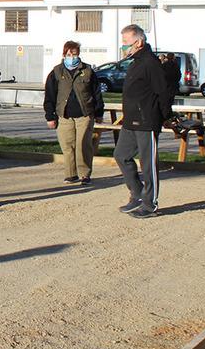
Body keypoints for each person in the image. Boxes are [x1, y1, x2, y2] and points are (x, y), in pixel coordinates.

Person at [113, 24, 170, 218]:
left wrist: (164, 116)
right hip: (130, 121)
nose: (124, 46)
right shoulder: (135, 62)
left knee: (148, 165)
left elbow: (163, 92)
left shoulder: (150, 63)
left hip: (147, 121)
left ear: (138, 42)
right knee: (121, 155)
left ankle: (149, 204)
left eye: (126, 42)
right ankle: (136, 194)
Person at [43, 40, 103, 184]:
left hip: (85, 114)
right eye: (69, 54)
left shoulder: (88, 71)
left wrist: (99, 112)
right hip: (64, 115)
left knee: (84, 145)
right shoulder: (56, 72)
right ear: (64, 54)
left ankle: (84, 174)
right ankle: (71, 174)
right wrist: (50, 116)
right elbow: (50, 95)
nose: (72, 56)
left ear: (78, 54)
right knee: (67, 146)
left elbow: (96, 93)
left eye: (74, 53)